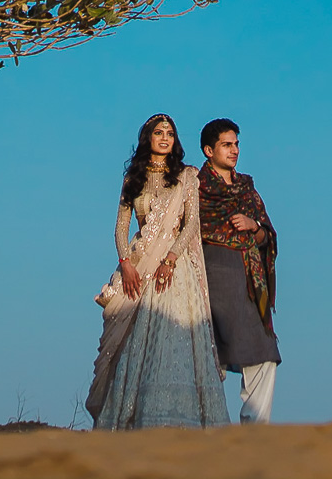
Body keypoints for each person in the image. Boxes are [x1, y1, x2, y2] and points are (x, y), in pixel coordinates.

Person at [86, 113, 229, 429]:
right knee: (134, 340)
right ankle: (132, 418)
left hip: (174, 271)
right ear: (147, 139)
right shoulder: (133, 178)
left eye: (170, 133)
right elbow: (121, 227)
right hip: (139, 267)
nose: (165, 137)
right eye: (158, 132)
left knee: (175, 337)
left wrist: (170, 259)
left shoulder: (186, 176)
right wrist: (126, 265)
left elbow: (191, 223)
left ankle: (179, 418)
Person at [198, 118, 281, 423]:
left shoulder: (246, 187)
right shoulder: (195, 187)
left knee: (264, 354)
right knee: (207, 357)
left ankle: (253, 434)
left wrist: (253, 225)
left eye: (236, 144)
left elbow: (267, 235)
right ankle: (207, 426)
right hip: (211, 277)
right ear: (209, 150)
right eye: (226, 145)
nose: (234, 151)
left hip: (249, 282)